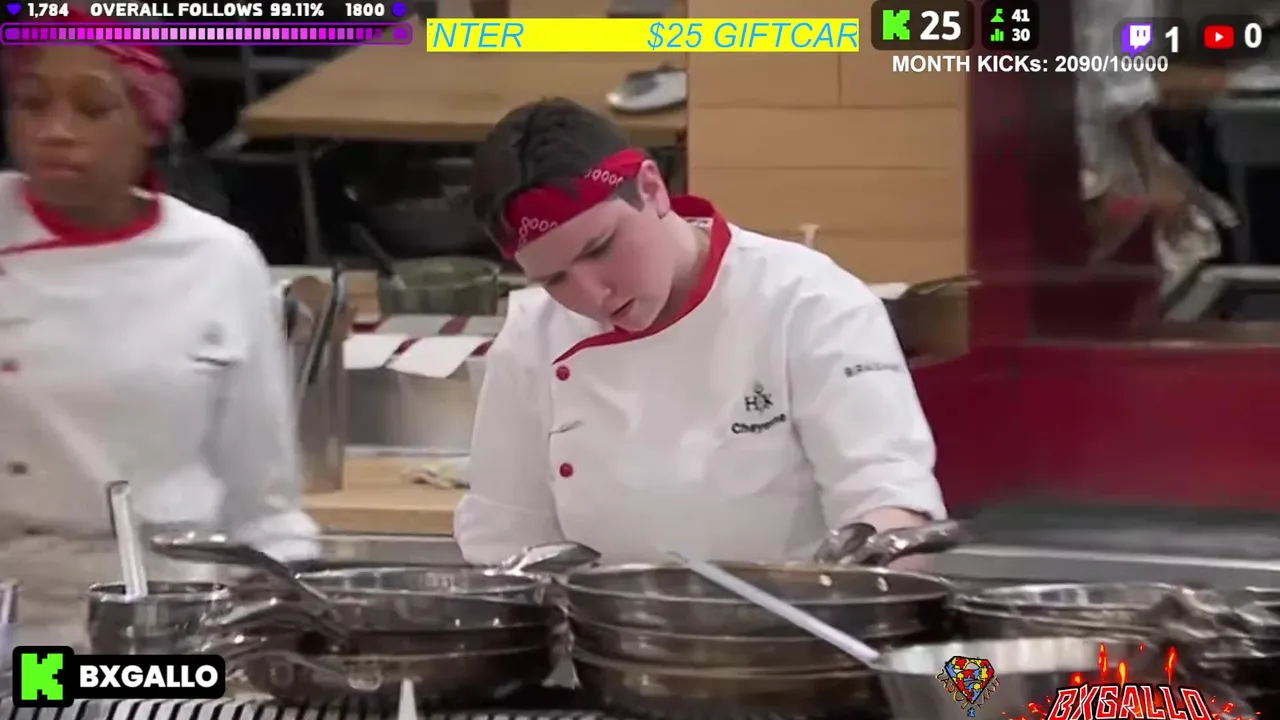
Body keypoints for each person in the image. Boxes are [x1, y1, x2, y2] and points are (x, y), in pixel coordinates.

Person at [454, 98, 946, 565]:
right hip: (607, 625)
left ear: (651, 188)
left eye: (601, 247)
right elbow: (508, 538)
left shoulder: (810, 304)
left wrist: (874, 571)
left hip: (801, 620)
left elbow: (887, 501)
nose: (593, 293)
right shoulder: (532, 340)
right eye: (554, 279)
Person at [0, 10, 317, 644]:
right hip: (17, 607)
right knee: (43, 689)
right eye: (32, 104)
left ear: (150, 121)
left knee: (114, 692)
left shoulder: (217, 261)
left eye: (93, 109)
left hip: (169, 613)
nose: (55, 131)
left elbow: (263, 500)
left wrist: (294, 619)